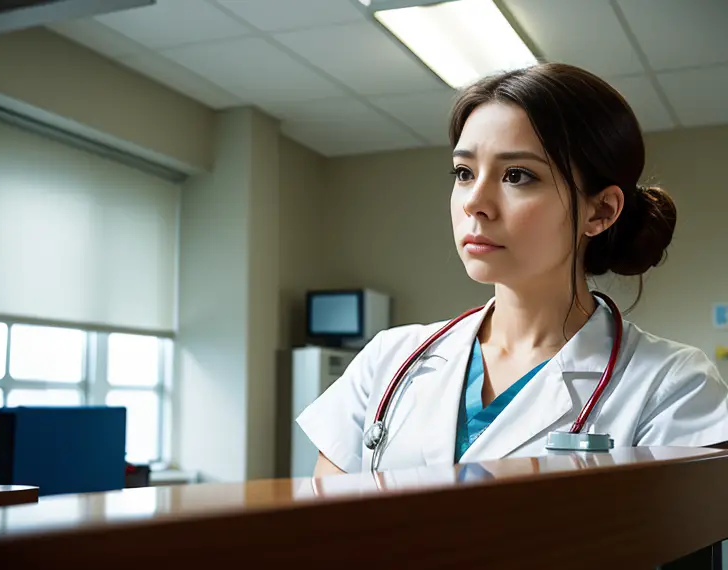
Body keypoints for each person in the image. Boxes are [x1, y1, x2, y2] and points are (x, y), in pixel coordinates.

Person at [296, 62, 728, 476]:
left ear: (601, 211)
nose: (474, 203)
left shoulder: (672, 386)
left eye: (517, 175)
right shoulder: (388, 361)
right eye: (464, 172)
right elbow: (325, 537)